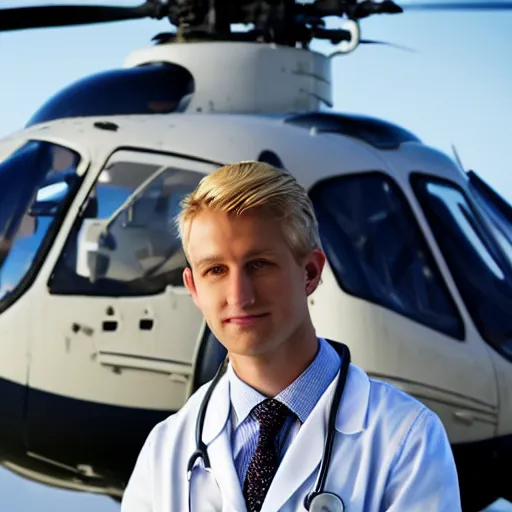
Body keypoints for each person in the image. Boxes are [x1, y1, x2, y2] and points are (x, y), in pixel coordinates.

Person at [121, 161, 462, 512]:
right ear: (193, 288)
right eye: (216, 270)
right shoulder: (165, 451)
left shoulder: (407, 440)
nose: (239, 296)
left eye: (259, 265)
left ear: (311, 272)